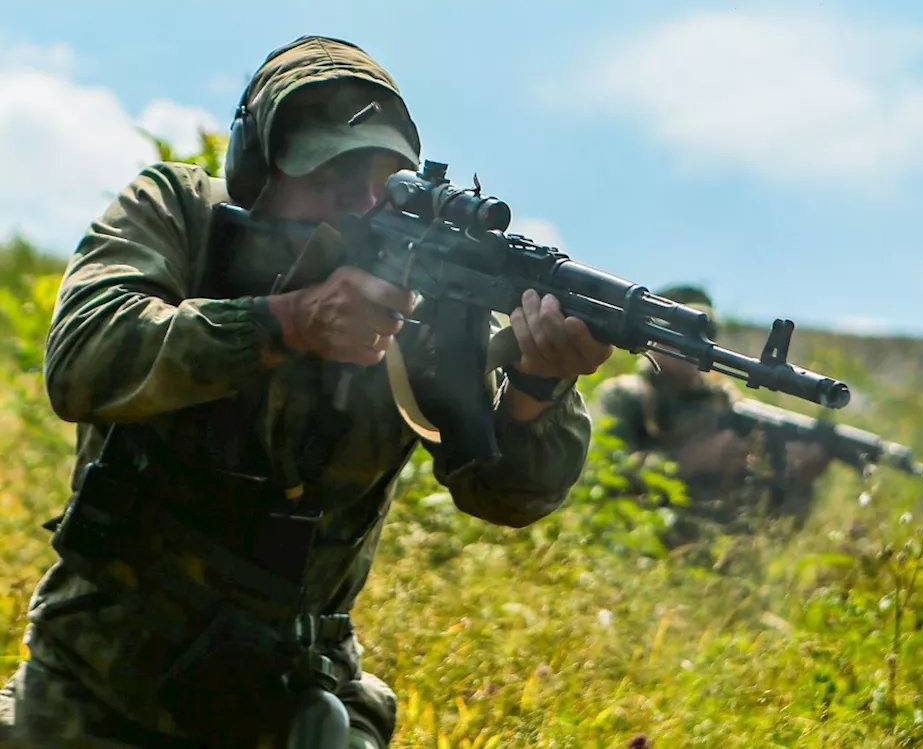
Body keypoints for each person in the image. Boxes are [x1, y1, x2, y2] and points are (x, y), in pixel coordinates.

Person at [0, 36, 613, 749]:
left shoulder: (416, 298)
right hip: (99, 680)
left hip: (289, 700)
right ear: (257, 173)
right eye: (330, 173)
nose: (360, 201)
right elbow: (84, 358)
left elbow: (507, 496)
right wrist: (284, 322)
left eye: (383, 177)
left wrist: (535, 388)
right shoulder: (178, 216)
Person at [591, 285, 828, 534]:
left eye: (704, 333)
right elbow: (602, 474)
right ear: (654, 335)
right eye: (678, 332)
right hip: (640, 539)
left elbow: (766, 512)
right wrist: (691, 460)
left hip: (718, 546)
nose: (691, 345)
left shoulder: (728, 404)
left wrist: (795, 478)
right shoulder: (625, 396)